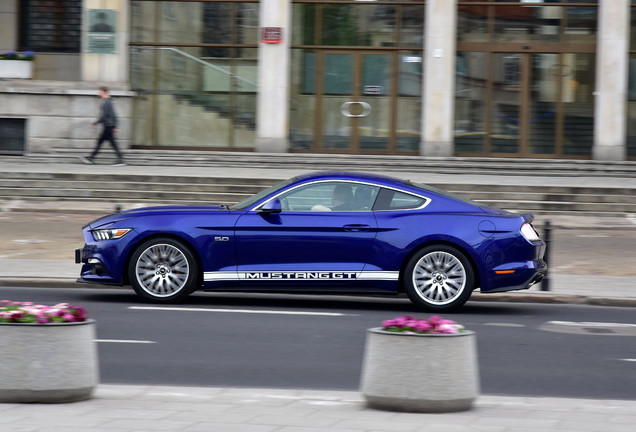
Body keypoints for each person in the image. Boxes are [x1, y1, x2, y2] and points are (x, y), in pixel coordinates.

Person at [81, 86, 125, 166]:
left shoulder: (107, 102)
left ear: (104, 92)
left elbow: (105, 116)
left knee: (107, 143)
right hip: (109, 125)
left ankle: (92, 158)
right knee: (105, 142)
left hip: (108, 126)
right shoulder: (109, 101)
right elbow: (113, 115)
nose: (98, 93)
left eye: (99, 92)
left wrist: (95, 123)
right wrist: (115, 126)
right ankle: (92, 158)